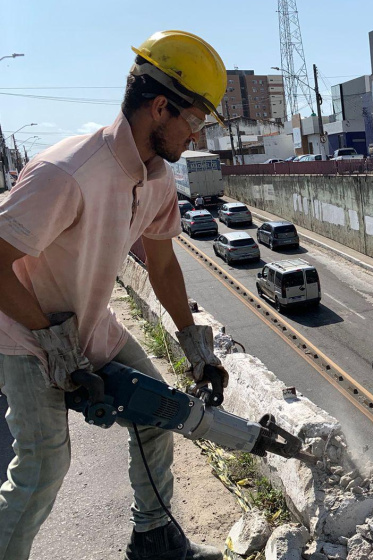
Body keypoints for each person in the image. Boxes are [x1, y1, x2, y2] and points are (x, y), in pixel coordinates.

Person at [0, 31, 230, 560]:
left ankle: (154, 540)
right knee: (42, 471)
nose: (196, 136)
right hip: (22, 331)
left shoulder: (158, 180)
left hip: (87, 324)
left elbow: (164, 265)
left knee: (160, 411)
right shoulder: (67, 173)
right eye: (193, 120)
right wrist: (53, 347)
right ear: (159, 107)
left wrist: (196, 349)